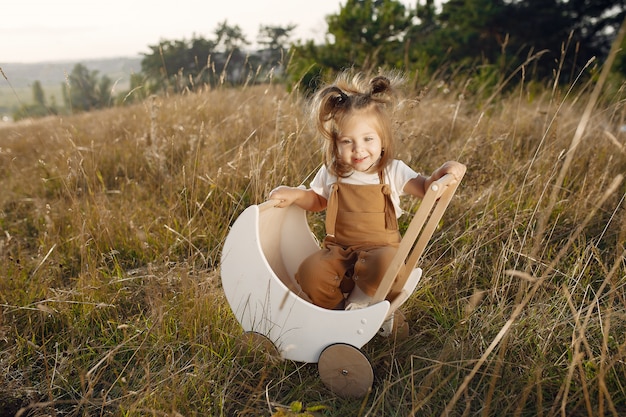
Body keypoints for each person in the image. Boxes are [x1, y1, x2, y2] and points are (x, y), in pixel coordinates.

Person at [269, 71, 466, 315]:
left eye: (367, 139)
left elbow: (427, 189)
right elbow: (318, 200)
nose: (358, 149)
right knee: (311, 271)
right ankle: (333, 311)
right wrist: (296, 195)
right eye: (347, 142)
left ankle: (362, 301)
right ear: (335, 144)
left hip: (380, 251)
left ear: (382, 140)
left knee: (388, 266)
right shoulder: (333, 171)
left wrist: (443, 172)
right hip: (340, 251)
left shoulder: (391, 171)